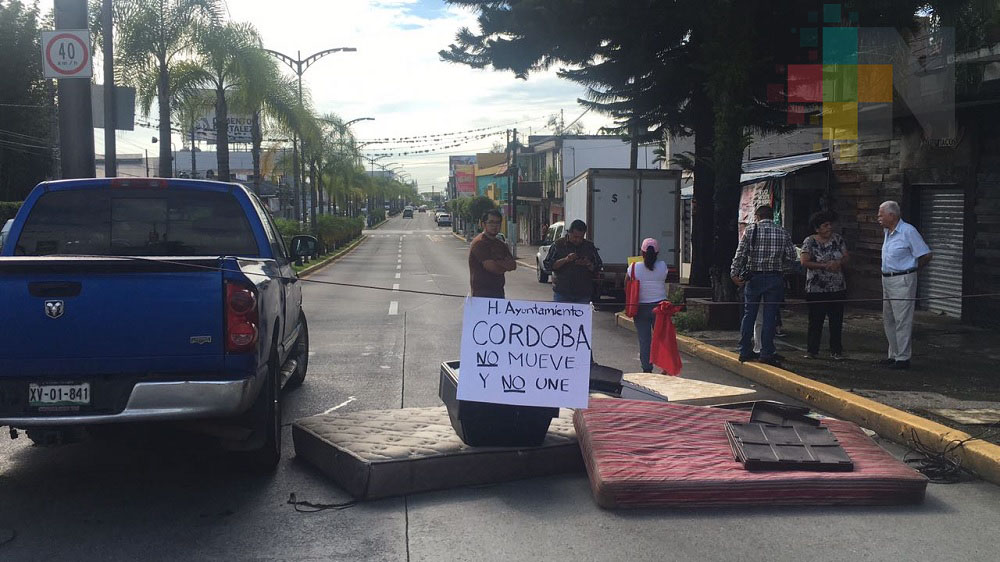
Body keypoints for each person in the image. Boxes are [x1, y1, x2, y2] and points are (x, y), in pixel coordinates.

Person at [730, 205, 797, 367]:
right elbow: (792, 257)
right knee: (770, 316)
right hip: (775, 278)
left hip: (754, 278)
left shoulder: (751, 231)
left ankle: (744, 349)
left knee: (749, 315)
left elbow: (740, 254)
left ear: (757, 216)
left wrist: (734, 273)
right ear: (772, 216)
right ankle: (766, 351)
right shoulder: (783, 232)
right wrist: (782, 268)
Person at [877, 200, 932, 370]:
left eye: (881, 214)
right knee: (889, 318)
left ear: (891, 215)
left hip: (903, 278)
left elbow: (925, 254)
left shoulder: (908, 231)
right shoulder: (888, 231)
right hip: (887, 278)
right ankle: (893, 354)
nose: (878, 218)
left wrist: (912, 270)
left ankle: (903, 357)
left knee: (902, 319)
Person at [800, 210, 849, 360]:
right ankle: (812, 350)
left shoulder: (837, 239)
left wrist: (839, 263)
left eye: (829, 225)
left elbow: (846, 256)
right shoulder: (810, 241)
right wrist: (824, 266)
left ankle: (836, 350)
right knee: (815, 320)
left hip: (837, 286)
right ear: (817, 228)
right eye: (825, 225)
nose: (829, 228)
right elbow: (804, 261)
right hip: (816, 287)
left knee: (836, 320)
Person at [627, 238, 669, 373]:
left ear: (642, 252)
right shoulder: (663, 266)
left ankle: (647, 369)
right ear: (657, 253)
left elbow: (626, 283)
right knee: (662, 339)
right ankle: (665, 367)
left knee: (645, 340)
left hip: (640, 307)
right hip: (661, 307)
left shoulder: (633, 267)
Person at [543, 219, 603, 304]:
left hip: (583, 294)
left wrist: (588, 264)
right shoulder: (558, 245)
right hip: (562, 293)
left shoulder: (589, 246)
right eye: (575, 237)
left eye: (581, 237)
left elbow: (599, 266)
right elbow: (548, 265)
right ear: (569, 233)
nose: (578, 240)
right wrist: (566, 260)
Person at [468, 209, 516, 298]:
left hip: (499, 293)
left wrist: (497, 262)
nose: (494, 226)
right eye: (491, 222)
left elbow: (513, 265)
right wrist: (503, 264)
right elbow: (493, 268)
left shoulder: (501, 244)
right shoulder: (479, 243)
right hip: (482, 295)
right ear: (483, 224)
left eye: (498, 223)